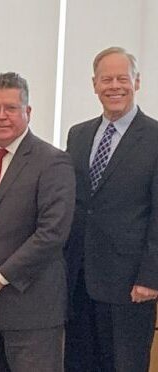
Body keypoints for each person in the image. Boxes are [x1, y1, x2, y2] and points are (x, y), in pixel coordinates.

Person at [0, 72, 75, 372]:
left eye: (10, 108)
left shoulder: (52, 161)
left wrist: (1, 276)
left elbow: (52, 233)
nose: (1, 116)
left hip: (31, 309)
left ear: (28, 112)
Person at [64, 47, 158, 372]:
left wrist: (151, 276)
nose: (114, 86)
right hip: (79, 279)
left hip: (130, 284)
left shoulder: (156, 138)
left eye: (122, 78)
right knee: (79, 364)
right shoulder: (78, 135)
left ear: (137, 82)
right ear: (94, 84)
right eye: (107, 79)